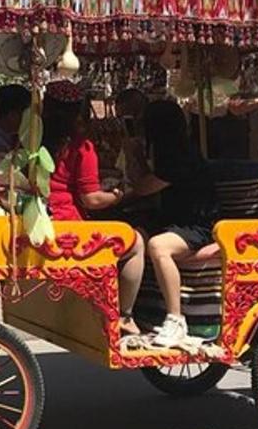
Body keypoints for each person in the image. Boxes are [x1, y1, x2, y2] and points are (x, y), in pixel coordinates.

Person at [43, 80, 144, 336]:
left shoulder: (31, 139)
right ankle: (125, 315)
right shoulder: (81, 146)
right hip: (69, 227)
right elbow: (93, 200)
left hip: (43, 220)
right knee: (137, 243)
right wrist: (119, 195)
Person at [130, 99, 218, 348]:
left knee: (158, 246)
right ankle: (132, 310)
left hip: (196, 226)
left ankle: (175, 318)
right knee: (131, 236)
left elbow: (143, 187)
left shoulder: (181, 154)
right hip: (172, 219)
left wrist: (133, 156)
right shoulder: (167, 152)